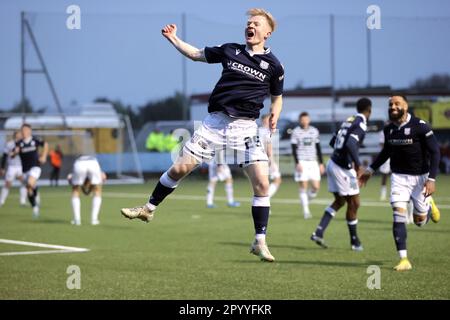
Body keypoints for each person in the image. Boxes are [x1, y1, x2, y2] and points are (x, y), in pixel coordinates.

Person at [121, 8, 284, 262]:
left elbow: (277, 98)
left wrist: (275, 114)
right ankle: (147, 209)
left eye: (256, 24)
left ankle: (259, 240)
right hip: (215, 124)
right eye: (248, 23)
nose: (250, 26)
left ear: (267, 32)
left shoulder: (274, 65)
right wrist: (174, 39)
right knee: (178, 170)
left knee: (262, 184)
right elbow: (197, 54)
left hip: (246, 128)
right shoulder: (231, 50)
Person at [358, 95, 441, 271]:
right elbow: (386, 152)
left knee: (419, 221)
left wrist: (431, 179)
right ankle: (404, 259)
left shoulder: (421, 126)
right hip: (399, 178)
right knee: (398, 214)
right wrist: (371, 170)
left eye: (397, 104)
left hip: (421, 178)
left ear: (406, 106)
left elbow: (435, 152)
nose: (393, 107)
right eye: (390, 104)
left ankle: (428, 206)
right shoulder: (388, 130)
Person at [311, 98, 372, 251]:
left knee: (339, 201)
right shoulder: (361, 124)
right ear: (369, 111)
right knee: (354, 203)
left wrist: (343, 153)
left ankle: (318, 232)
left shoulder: (349, 120)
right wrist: (358, 165)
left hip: (333, 163)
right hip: (343, 168)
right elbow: (351, 143)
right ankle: (354, 242)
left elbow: (333, 141)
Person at [290, 112, 324, 219]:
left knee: (315, 187)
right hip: (302, 162)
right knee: (303, 186)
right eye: (302, 119)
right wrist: (297, 163)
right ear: (300, 120)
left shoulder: (314, 131)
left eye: (306, 119)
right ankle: (306, 211)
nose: (304, 121)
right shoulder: (296, 132)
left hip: (313, 162)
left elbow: (318, 147)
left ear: (309, 120)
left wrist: (321, 163)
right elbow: (293, 149)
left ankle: (305, 201)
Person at [12, 123, 49, 219]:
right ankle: (35, 207)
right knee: (29, 188)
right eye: (22, 130)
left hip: (35, 167)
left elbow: (45, 144)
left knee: (29, 183)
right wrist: (14, 153)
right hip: (25, 170)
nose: (23, 132)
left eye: (25, 130)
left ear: (29, 131)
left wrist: (44, 156)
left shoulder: (35, 140)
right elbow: (12, 154)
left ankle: (34, 188)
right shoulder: (19, 143)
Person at [69, 155, 105, 226]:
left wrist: (73, 183)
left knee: (75, 190)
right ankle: (94, 220)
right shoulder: (96, 163)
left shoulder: (76, 162)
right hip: (93, 164)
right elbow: (104, 177)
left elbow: (69, 178)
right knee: (97, 190)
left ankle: (77, 220)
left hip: (79, 164)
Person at [0, 131, 27, 207]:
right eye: (18, 134)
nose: (20, 135)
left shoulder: (24, 144)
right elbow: (5, 156)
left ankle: (23, 201)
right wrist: (2, 168)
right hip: (12, 166)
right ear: (15, 135)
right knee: (8, 184)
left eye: (21, 134)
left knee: (24, 183)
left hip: (21, 166)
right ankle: (1, 201)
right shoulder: (10, 144)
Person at [260, 114, 282, 198]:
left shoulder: (259, 131)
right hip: (267, 160)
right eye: (268, 120)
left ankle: (263, 201)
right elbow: (268, 147)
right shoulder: (266, 132)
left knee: (264, 183)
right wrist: (271, 161)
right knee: (277, 180)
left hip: (260, 159)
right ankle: (265, 200)